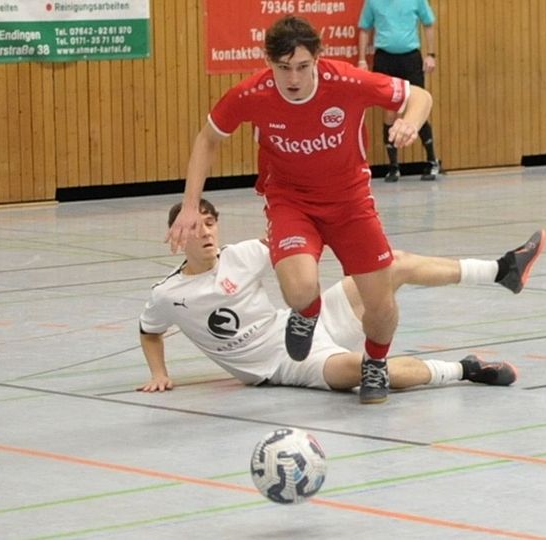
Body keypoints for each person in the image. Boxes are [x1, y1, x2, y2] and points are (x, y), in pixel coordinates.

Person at [166, 16, 435, 404]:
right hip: (290, 201)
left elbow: (419, 97)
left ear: (318, 59)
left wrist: (410, 122)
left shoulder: (347, 81)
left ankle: (375, 362)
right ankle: (306, 313)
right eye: (283, 68)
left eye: (303, 67)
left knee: (380, 305)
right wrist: (190, 205)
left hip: (351, 203)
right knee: (300, 288)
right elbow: (208, 138)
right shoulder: (251, 94)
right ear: (268, 62)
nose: (293, 78)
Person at [140, 199, 546, 399]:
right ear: (177, 237)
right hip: (286, 364)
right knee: (365, 369)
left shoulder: (243, 254)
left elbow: (296, 251)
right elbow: (150, 331)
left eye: (211, 223)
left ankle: (501, 270)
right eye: (197, 227)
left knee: (395, 264)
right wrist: (159, 372)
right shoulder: (167, 294)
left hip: (301, 326)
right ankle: (465, 368)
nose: (208, 232)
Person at [357, 0, 441, 182]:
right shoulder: (373, 2)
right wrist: (362, 59)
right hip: (385, 58)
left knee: (418, 109)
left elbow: (428, 23)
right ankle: (393, 166)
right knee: (389, 112)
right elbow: (364, 28)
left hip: (410, 57)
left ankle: (432, 161)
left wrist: (431, 54)